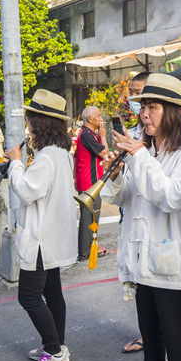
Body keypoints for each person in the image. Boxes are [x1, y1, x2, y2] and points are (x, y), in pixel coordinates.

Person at [106, 73, 181, 361]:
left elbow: (172, 196)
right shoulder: (143, 149)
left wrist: (139, 159)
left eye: (153, 108)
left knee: (176, 328)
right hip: (140, 251)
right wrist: (116, 173)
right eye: (143, 107)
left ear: (173, 113)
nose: (145, 115)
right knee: (148, 324)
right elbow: (126, 197)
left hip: (171, 253)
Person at [5, 90, 78, 361]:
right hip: (53, 234)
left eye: (31, 120)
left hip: (40, 237)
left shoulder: (47, 156)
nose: (28, 126)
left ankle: (55, 352)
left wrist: (15, 163)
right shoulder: (61, 153)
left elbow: (25, 190)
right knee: (52, 293)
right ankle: (56, 343)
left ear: (40, 123)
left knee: (29, 296)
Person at [121, 72, 149, 354]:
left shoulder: (180, 140)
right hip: (134, 217)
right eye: (132, 93)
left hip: (161, 227)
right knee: (140, 282)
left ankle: (175, 345)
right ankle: (147, 336)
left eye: (139, 92)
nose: (134, 99)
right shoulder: (135, 133)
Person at [74, 105, 109, 261]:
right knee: (91, 217)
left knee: (88, 216)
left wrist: (75, 178)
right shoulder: (88, 135)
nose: (101, 119)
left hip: (84, 180)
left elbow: (76, 157)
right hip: (91, 181)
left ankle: (89, 247)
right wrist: (103, 136)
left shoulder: (84, 134)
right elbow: (105, 153)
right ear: (90, 118)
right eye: (99, 116)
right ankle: (86, 251)